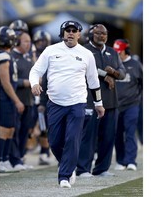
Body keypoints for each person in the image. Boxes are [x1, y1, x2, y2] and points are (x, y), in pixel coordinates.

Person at [29, 20, 105, 188]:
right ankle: (68, 164)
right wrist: (35, 83)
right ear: (62, 33)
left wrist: (99, 103)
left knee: (72, 139)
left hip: (77, 103)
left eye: (74, 30)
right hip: (55, 103)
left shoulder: (86, 54)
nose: (70, 33)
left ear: (79, 34)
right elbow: (36, 71)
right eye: (67, 30)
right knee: (54, 142)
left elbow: (93, 82)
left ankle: (64, 175)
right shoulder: (50, 51)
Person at [76, 24, 126, 177]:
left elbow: (122, 73)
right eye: (98, 33)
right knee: (88, 136)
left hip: (111, 100)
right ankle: (83, 169)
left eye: (104, 33)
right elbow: (85, 68)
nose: (101, 36)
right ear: (91, 34)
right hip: (90, 100)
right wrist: (106, 74)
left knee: (108, 136)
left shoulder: (112, 51)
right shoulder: (83, 50)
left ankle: (102, 168)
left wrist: (114, 73)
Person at [112, 39, 143, 171]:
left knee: (130, 132)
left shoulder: (135, 65)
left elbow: (142, 83)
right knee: (117, 133)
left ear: (126, 50)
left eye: (119, 52)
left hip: (132, 104)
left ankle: (131, 160)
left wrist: (137, 97)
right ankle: (120, 160)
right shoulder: (113, 64)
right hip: (116, 105)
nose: (117, 55)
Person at [8, 20, 35, 170]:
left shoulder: (29, 58)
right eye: (25, 41)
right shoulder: (11, 56)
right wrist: (25, 83)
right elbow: (8, 80)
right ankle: (14, 159)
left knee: (26, 130)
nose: (28, 44)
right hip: (16, 99)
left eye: (29, 41)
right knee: (15, 130)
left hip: (28, 100)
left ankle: (21, 157)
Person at [0, 26, 25, 173]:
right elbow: (5, 82)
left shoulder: (6, 55)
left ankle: (4, 158)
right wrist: (16, 100)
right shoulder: (3, 56)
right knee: (3, 129)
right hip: (4, 97)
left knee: (10, 129)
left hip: (7, 97)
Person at [31, 30, 52, 165]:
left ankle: (45, 151)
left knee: (44, 126)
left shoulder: (51, 54)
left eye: (43, 41)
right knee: (31, 126)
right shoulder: (32, 55)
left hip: (45, 94)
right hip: (32, 95)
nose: (41, 44)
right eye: (39, 41)